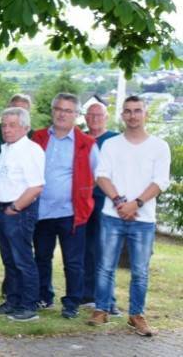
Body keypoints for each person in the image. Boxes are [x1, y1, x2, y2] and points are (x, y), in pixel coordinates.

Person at [88, 97, 171, 336]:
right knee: (105, 266)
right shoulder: (111, 144)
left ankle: (136, 315)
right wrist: (119, 202)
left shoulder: (159, 146)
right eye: (128, 111)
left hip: (143, 220)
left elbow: (160, 181)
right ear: (122, 115)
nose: (133, 115)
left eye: (137, 111)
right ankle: (101, 310)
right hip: (112, 215)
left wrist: (136, 204)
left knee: (140, 271)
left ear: (145, 114)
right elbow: (101, 176)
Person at [30, 93, 98, 319]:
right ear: (52, 111)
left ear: (76, 115)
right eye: (58, 109)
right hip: (41, 211)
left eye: (68, 111)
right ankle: (43, 297)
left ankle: (72, 302)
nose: (62, 114)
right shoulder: (38, 137)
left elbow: (97, 176)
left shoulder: (87, 144)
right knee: (41, 257)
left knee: (73, 262)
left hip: (72, 213)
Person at [0, 107, 45, 322]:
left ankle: (28, 306)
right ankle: (12, 302)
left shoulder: (31, 150)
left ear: (25, 127)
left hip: (20, 211)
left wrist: (15, 208)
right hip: (3, 209)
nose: (6, 129)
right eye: (4, 125)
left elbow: (36, 187)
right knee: (9, 260)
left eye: (12, 125)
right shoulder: (5, 149)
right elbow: (3, 183)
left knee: (23, 260)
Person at [82, 101, 120, 308]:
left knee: (105, 250)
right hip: (82, 201)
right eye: (91, 115)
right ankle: (87, 295)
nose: (95, 118)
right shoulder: (80, 138)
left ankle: (107, 299)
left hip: (106, 201)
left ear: (106, 117)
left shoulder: (115, 140)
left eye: (99, 115)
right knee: (85, 248)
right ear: (85, 118)